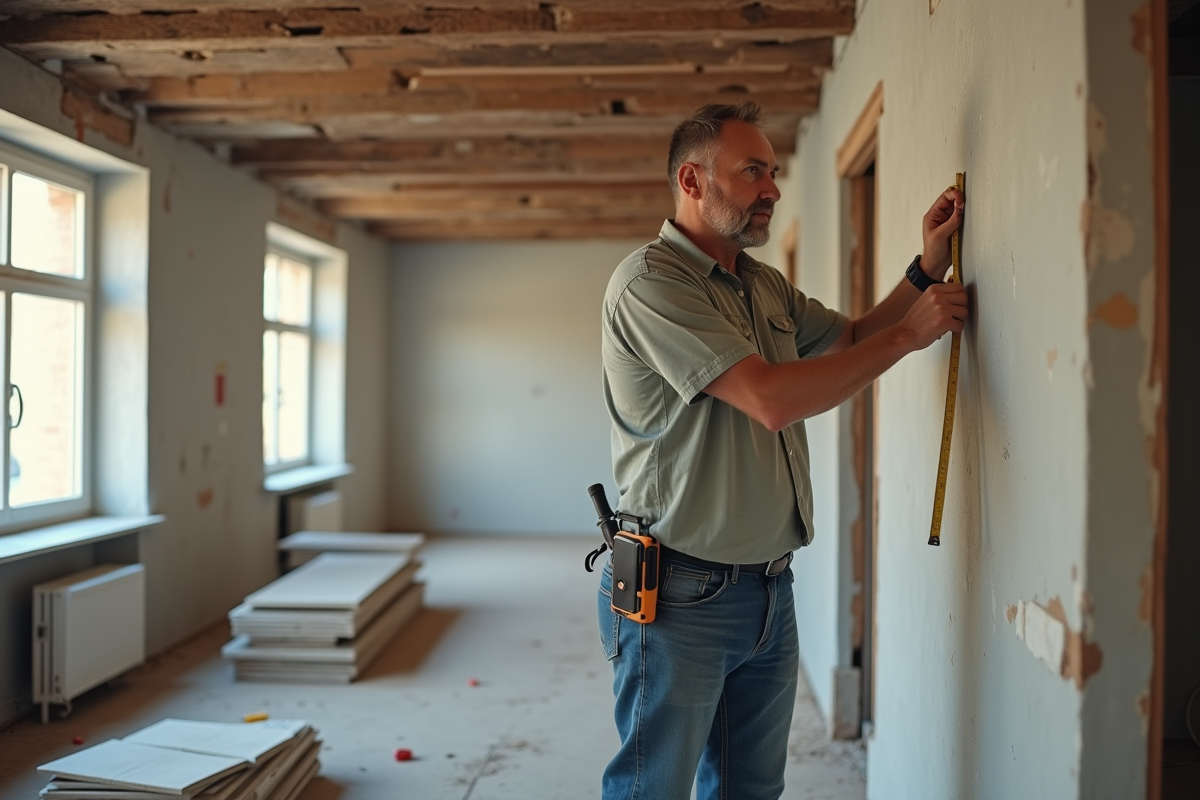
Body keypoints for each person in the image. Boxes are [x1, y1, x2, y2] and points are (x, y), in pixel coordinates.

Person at [596, 102, 967, 800]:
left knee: (752, 789)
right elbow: (769, 399)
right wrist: (908, 337)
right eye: (752, 172)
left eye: (773, 172)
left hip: (769, 589)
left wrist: (926, 269)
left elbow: (850, 338)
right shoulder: (651, 283)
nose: (771, 188)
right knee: (653, 789)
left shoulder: (760, 283)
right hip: (679, 595)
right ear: (693, 180)